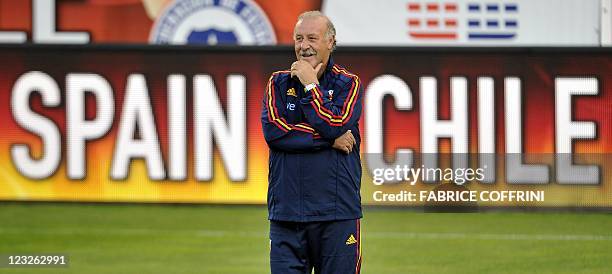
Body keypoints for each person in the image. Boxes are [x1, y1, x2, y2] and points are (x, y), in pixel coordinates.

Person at [261, 10, 363, 274]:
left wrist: (310, 86)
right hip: (287, 214)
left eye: (312, 38)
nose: (304, 46)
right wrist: (329, 140)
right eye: (298, 38)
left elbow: (336, 123)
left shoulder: (348, 84)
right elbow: (275, 132)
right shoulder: (278, 83)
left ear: (330, 42)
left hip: (337, 213)